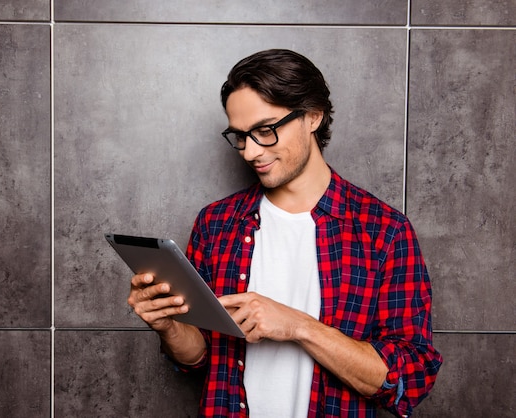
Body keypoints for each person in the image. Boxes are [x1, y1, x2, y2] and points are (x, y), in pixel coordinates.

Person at [128, 49, 442, 417]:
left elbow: (409, 378)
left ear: (312, 116)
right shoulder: (216, 224)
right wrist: (167, 325)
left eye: (265, 130)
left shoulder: (384, 232)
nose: (250, 152)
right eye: (241, 136)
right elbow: (199, 359)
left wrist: (298, 325)